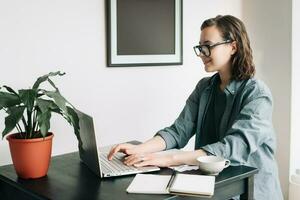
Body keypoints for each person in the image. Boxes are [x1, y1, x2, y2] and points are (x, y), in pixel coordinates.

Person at [108, 15, 283, 199]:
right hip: (215, 188)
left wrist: (170, 158)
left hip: (251, 191)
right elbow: (178, 131)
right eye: (200, 47)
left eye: (207, 46)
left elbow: (232, 148)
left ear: (233, 46)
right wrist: (140, 149)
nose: (201, 53)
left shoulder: (257, 94)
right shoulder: (204, 87)